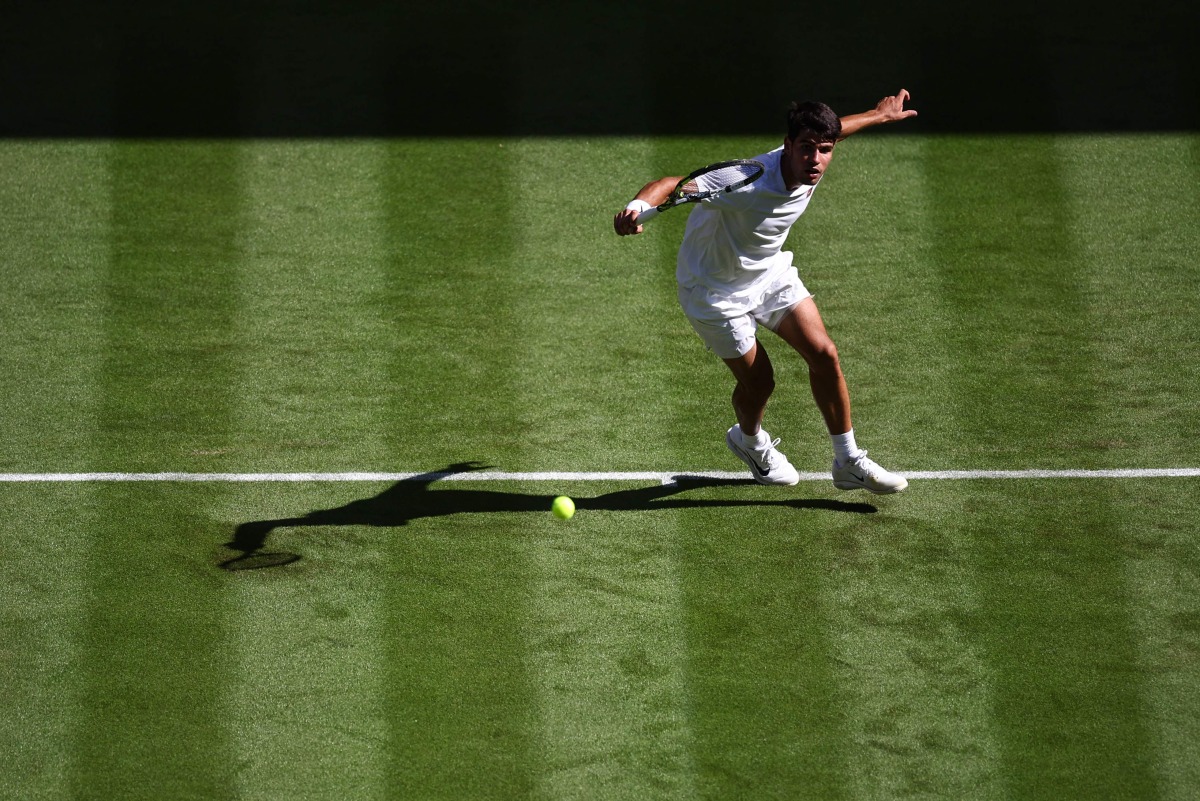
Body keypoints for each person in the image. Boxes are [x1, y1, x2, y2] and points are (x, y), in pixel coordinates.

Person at [613, 89, 917, 494]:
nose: (815, 159)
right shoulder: (743, 179)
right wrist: (636, 208)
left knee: (824, 354)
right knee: (760, 383)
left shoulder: (814, 156)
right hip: (713, 292)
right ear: (787, 145)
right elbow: (670, 184)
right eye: (806, 148)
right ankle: (750, 441)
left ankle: (847, 462)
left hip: (768, 273)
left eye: (825, 150)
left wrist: (879, 116)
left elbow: (838, 130)